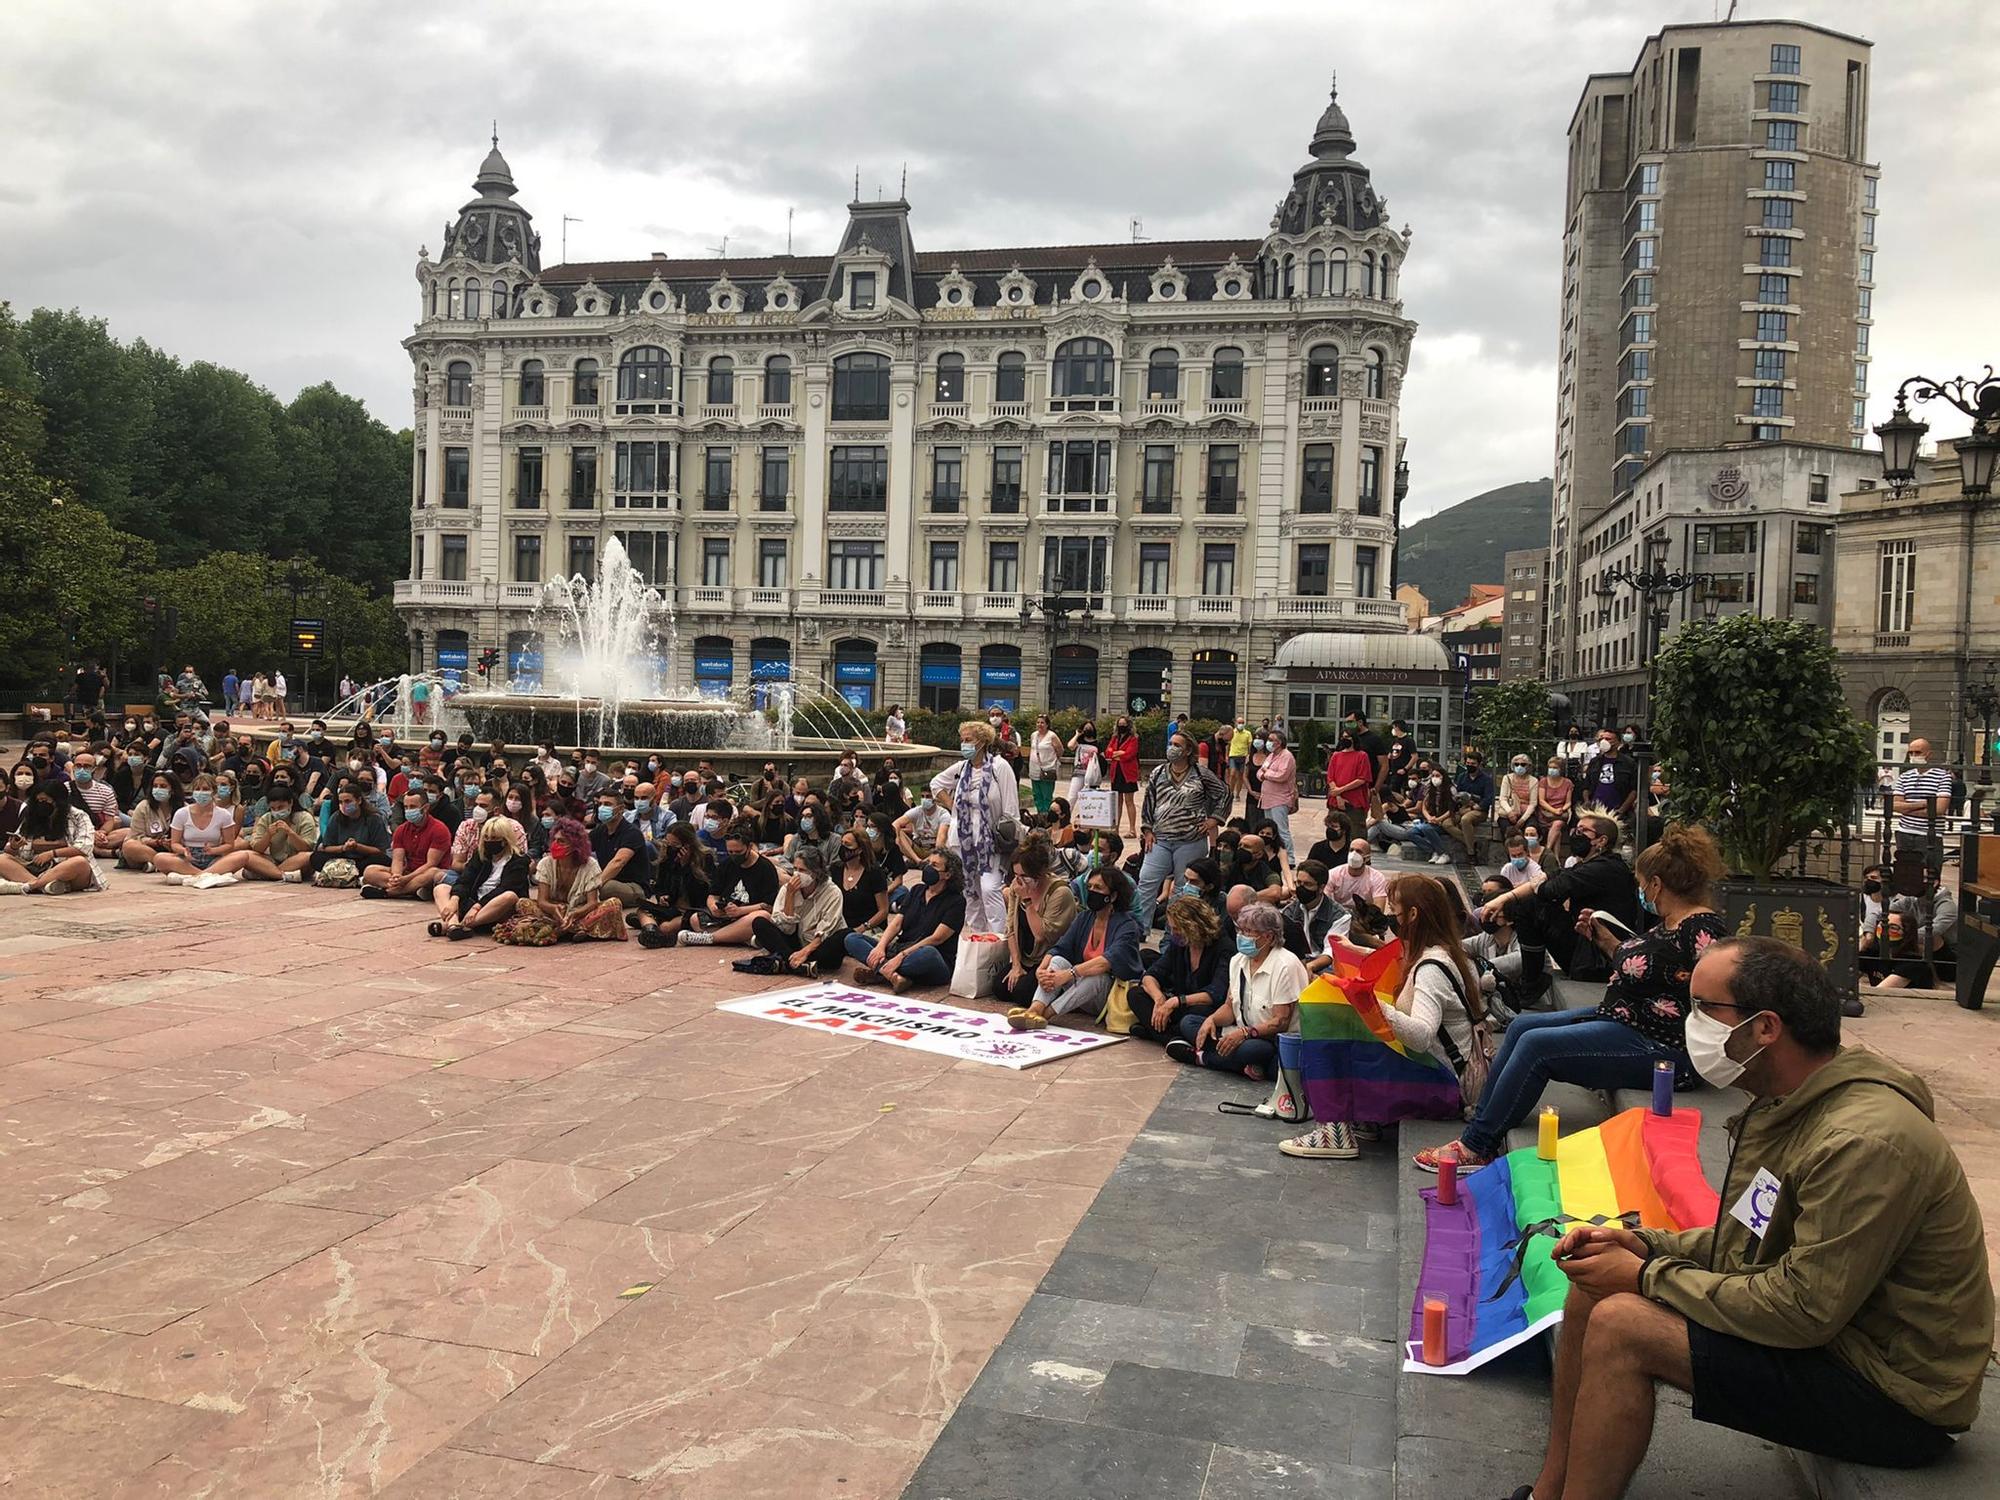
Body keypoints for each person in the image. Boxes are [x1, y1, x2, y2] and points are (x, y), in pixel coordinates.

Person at [1495, 939, 1991, 1500]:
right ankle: (1550, 1491)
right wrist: (1643, 1245)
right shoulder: (1789, 1101)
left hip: (1893, 1391)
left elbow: (1805, 1309)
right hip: (1836, 1339)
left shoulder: (1863, 1140)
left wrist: (1642, 1277)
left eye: (1705, 1008)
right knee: (1591, 1288)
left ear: (1765, 1028)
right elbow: (1746, 1241)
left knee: (1625, 1325)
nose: (1690, 1022)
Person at [1420, 823, 1727, 1174]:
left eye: (1642, 884)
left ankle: (1477, 1145)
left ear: (1656, 885)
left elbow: (1715, 994)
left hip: (1660, 1046)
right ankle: (1481, 1119)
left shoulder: (1702, 929)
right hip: (1623, 1018)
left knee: (1537, 1046)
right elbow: (1654, 973)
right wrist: (1608, 943)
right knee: (1521, 1025)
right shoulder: (1669, 923)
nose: (1641, 891)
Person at [1281, 873, 1481, 1159]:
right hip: (1445, 1072)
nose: (1390, 918)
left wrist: (1370, 1003)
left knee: (1335, 1030)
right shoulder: (1445, 952)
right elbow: (1397, 962)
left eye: (1395, 912)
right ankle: (1363, 1117)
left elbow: (1422, 1036)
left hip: (1444, 1084)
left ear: (1412, 915)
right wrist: (1353, 951)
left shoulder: (1432, 969)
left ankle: (1334, 1130)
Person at [1472, 812, 1637, 994]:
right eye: (1576, 828)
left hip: (1597, 960)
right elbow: (1548, 877)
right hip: (1584, 949)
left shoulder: (1605, 868)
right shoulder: (1589, 865)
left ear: (1601, 840)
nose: (1575, 834)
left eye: (1583, 831)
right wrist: (1503, 898)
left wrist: (1533, 888)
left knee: (1531, 906)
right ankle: (1531, 980)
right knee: (1530, 901)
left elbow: (1549, 888)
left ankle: (1531, 984)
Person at [1165, 899, 1304, 1080]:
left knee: (1253, 1050)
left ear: (1268, 936)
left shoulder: (1286, 964)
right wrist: (1212, 1020)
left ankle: (1201, 1057)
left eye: (1248, 932)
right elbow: (1229, 1008)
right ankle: (1243, 1065)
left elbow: (1280, 1022)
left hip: (1271, 1039)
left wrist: (1245, 1033)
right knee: (1189, 1022)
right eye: (1240, 930)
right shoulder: (1238, 960)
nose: (1241, 936)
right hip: (1240, 1030)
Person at [1009, 865, 1145, 1030]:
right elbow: (1061, 947)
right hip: (1080, 989)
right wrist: (1042, 969)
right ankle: (1034, 1009)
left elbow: (1106, 962)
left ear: (1114, 896)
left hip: (1108, 995)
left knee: (1098, 977)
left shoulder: (1127, 926)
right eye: (1089, 887)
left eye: (1098, 888)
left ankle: (1046, 1014)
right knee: (1058, 961)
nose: (1091, 891)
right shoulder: (1085, 917)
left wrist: (1069, 974)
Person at [1133, 728, 1229, 930]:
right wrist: (1147, 830)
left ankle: (1174, 932)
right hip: (1160, 838)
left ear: (1187, 751)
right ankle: (1139, 929)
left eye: (1177, 745)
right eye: (1171, 744)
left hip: (1191, 840)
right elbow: (1149, 801)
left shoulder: (1201, 774)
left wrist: (1214, 820)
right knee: (1147, 881)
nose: (1172, 748)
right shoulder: (1158, 772)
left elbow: (1224, 793)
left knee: (1183, 887)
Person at [933, 719, 1019, 934]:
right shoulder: (962, 769)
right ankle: (976, 936)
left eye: (968, 740)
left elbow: (1011, 808)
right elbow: (936, 784)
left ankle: (998, 937)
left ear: (982, 742)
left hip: (990, 841)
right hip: (962, 840)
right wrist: (953, 808)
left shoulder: (1000, 767)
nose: (964, 745)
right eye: (962, 740)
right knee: (969, 891)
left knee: (990, 889)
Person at [847, 847, 967, 992]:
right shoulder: (917, 890)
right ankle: (893, 976)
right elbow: (897, 923)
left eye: (934, 865)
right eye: (928, 863)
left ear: (947, 874)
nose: (928, 868)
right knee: (852, 939)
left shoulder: (956, 901)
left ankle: (880, 972)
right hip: (900, 947)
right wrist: (881, 946)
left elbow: (937, 938)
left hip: (931, 957)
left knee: (928, 953)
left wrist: (902, 956)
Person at [496, 815, 628, 943]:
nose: (555, 844)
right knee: (523, 903)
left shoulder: (590, 865)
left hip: (581, 912)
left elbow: (592, 902)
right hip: (553, 913)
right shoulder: (546, 863)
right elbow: (542, 900)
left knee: (614, 904)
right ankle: (575, 930)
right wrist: (553, 908)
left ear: (575, 845)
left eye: (561, 841)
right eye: (555, 840)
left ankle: (560, 930)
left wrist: (575, 913)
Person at [1134, 894, 1229, 1044]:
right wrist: (1159, 998)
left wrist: (1177, 1001)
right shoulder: (1179, 944)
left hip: (1200, 1006)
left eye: (1177, 929)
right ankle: (1172, 1036)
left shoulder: (1223, 948)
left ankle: (1158, 1032)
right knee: (1136, 994)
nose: (1173, 934)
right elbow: (1152, 975)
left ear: (1194, 927)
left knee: (1195, 1015)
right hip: (1178, 1002)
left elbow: (1215, 993)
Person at [1001, 833, 1081, 1010]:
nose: (1019, 880)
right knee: (1001, 987)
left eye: (1025, 875)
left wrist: (1028, 901)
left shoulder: (1059, 892)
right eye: (1016, 875)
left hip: (1049, 957)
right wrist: (1016, 964)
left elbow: (1041, 935)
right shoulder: (1017, 887)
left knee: (1022, 993)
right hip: (1027, 958)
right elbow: (1011, 928)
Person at [742, 847, 847, 975]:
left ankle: (788, 963)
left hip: (818, 945)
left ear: (815, 872)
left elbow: (826, 931)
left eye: (802, 870)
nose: (797, 874)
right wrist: (790, 896)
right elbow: (786, 929)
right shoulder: (788, 889)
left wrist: (805, 952)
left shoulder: (832, 892)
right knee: (759, 923)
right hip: (796, 942)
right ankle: (797, 965)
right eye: (795, 869)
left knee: (842, 937)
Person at [0, 780, 105, 895]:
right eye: (38, 801)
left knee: (79, 862)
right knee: (2, 859)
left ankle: (30, 886)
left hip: (66, 867)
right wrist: (14, 847)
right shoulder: (32, 816)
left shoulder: (78, 816)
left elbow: (84, 848)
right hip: (34, 867)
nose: (41, 804)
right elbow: (9, 850)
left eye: (45, 801)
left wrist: (52, 853)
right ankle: (43, 885)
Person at [360, 789, 451, 900]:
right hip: (408, 871)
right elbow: (397, 860)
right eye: (406, 807)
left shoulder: (439, 829)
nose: (408, 810)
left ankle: (388, 893)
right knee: (370, 871)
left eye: (412, 807)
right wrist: (396, 877)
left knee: (432, 873)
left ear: (425, 808)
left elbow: (431, 864)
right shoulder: (401, 830)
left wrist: (407, 879)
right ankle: (409, 890)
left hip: (429, 873)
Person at [634, 822, 711, 948]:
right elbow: (660, 886)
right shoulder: (667, 860)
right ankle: (651, 931)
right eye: (668, 844)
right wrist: (661, 897)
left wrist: (685, 866)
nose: (670, 848)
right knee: (642, 910)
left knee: (665, 927)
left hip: (694, 910)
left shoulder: (704, 859)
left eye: (675, 845)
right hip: (672, 908)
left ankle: (657, 931)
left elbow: (701, 893)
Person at [1891, 737, 1953, 871]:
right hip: (1904, 832)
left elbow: (1939, 809)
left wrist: (1907, 808)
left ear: (1928, 754)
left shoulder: (1942, 776)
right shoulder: (1904, 777)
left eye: (1917, 752)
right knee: (1905, 875)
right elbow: (1895, 805)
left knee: (1929, 873)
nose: (1913, 756)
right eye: (1911, 753)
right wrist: (1925, 803)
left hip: (1930, 834)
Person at [1281, 858, 1345, 972]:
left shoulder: (1340, 916)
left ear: (1321, 888)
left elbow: (1331, 952)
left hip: (1322, 964)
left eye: (1308, 884)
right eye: (1299, 883)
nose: (1301, 888)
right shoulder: (1288, 911)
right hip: (1295, 960)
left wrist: (1309, 967)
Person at [589, 787, 649, 906]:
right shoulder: (600, 831)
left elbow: (618, 862)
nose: (602, 808)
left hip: (633, 886)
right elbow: (581, 850)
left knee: (606, 888)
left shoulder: (632, 832)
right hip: (609, 879)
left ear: (621, 809)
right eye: (600, 804)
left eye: (607, 804)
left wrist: (593, 884)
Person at [1439, 749, 1495, 859]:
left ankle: (1471, 853)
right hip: (1463, 808)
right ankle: (1472, 843)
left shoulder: (1486, 780)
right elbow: (1456, 794)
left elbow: (1489, 798)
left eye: (1473, 764)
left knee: (1465, 820)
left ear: (1479, 764)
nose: (1470, 766)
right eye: (1468, 763)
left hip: (1479, 810)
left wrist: (1475, 806)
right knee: (1446, 823)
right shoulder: (1462, 777)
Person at [1256, 727, 1300, 863]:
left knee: (1282, 830)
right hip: (1267, 798)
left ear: (1279, 743)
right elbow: (1259, 773)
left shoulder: (1287, 756)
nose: (1267, 742)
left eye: (1271, 740)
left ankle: (1290, 858)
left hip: (1280, 799)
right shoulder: (1271, 755)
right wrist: (1265, 773)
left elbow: (1282, 775)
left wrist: (1266, 773)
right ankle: (1273, 855)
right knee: (1270, 830)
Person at [1585, 727, 1637, 821]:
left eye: (1608, 739)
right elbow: (1586, 785)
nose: (1604, 741)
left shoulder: (1628, 763)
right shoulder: (1595, 762)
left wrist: (1622, 810)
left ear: (1618, 743)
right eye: (1602, 739)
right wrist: (1587, 801)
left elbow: (1634, 789)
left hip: (1617, 811)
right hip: (1596, 811)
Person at [1534, 752, 1576, 863]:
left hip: (1560, 814)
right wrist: (1553, 810)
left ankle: (1546, 851)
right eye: (1550, 767)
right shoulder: (1543, 781)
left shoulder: (1567, 783)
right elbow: (1541, 801)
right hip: (1546, 812)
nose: (1552, 770)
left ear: (1560, 769)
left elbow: (1568, 802)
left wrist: (1561, 809)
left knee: (1557, 824)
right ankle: (1556, 859)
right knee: (1557, 832)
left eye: (1555, 767)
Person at [1103, 715, 1141, 836]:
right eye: (1120, 724)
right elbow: (1107, 752)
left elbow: (1129, 754)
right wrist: (1118, 754)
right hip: (1117, 772)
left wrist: (1116, 754)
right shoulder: (1115, 738)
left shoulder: (1133, 739)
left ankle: (1132, 829)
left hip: (1128, 773)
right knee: (1117, 802)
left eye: (1124, 724)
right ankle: (1116, 828)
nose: (1121, 727)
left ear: (1128, 726)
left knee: (1129, 801)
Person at [1328, 838, 1389, 909]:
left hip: (1364, 917)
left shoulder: (1377, 878)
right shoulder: (1333, 874)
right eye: (1351, 850)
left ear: (1367, 858)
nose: (1353, 854)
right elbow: (1327, 905)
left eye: (1359, 851)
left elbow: (1379, 908)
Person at [1027, 713, 1063, 815]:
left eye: (1042, 722)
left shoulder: (1052, 736)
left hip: (1047, 769)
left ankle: (1047, 815)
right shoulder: (1034, 735)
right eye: (1038, 722)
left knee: (1046, 795)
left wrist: (1053, 760)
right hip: (1034, 768)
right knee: (1037, 794)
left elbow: (1060, 750)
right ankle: (1039, 815)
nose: (1040, 725)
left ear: (1047, 724)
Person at [1226, 716, 1254, 804]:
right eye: (1239, 723)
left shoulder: (1248, 733)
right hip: (1233, 755)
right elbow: (1228, 745)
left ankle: (1237, 794)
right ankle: (1230, 793)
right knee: (1232, 773)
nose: (1240, 724)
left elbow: (1250, 745)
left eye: (1242, 723)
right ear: (1236, 723)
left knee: (1240, 776)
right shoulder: (1232, 732)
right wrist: (1226, 755)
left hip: (1243, 756)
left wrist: (1249, 755)